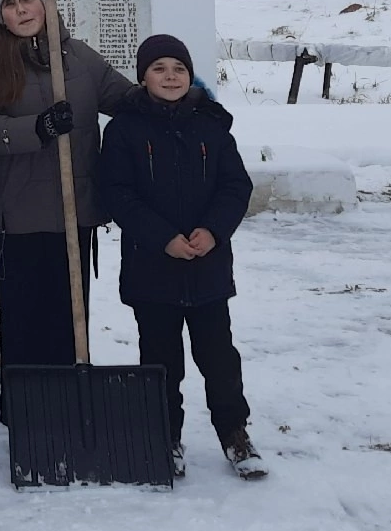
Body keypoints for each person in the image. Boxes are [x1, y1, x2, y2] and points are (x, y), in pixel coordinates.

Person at [95, 34, 264, 481]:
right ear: (142, 76)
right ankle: (164, 435)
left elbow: (235, 186)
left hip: (207, 268)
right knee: (160, 359)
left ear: (190, 75)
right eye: (159, 69)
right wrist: (162, 238)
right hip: (153, 268)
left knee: (219, 357)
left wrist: (212, 230)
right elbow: (118, 193)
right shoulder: (124, 129)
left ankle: (234, 432)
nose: (170, 77)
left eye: (179, 69)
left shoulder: (210, 124)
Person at [0, 0, 135, 386]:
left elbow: (125, 99)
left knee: (69, 317)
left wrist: (177, 95)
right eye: (11, 4)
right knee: (24, 321)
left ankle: (66, 405)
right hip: (17, 215)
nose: (22, 10)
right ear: (0, 15)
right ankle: (24, 415)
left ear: (45, 4)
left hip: (71, 212)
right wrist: (38, 128)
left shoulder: (80, 59)